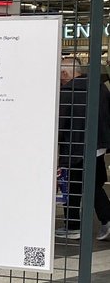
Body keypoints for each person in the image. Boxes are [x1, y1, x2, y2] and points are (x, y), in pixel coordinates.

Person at [57, 57, 110, 241]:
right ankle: (72, 225)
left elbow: (61, 125)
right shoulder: (99, 87)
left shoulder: (67, 92)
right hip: (98, 144)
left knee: (78, 186)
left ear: (65, 73)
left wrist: (57, 155)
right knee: (86, 184)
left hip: (75, 148)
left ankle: (77, 225)